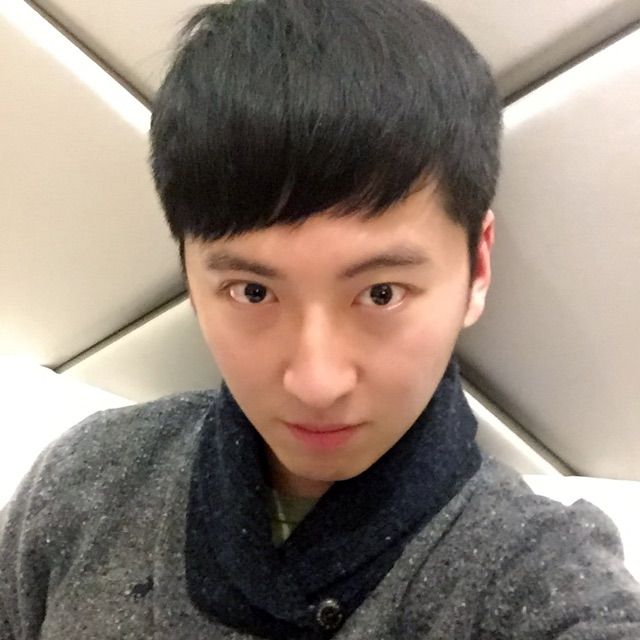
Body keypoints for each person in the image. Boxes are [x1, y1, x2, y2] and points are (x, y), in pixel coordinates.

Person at [1, 0, 639, 638]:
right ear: (190, 279)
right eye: (252, 292)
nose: (317, 383)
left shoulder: (541, 579)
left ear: (477, 268)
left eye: (382, 293)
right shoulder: (85, 483)